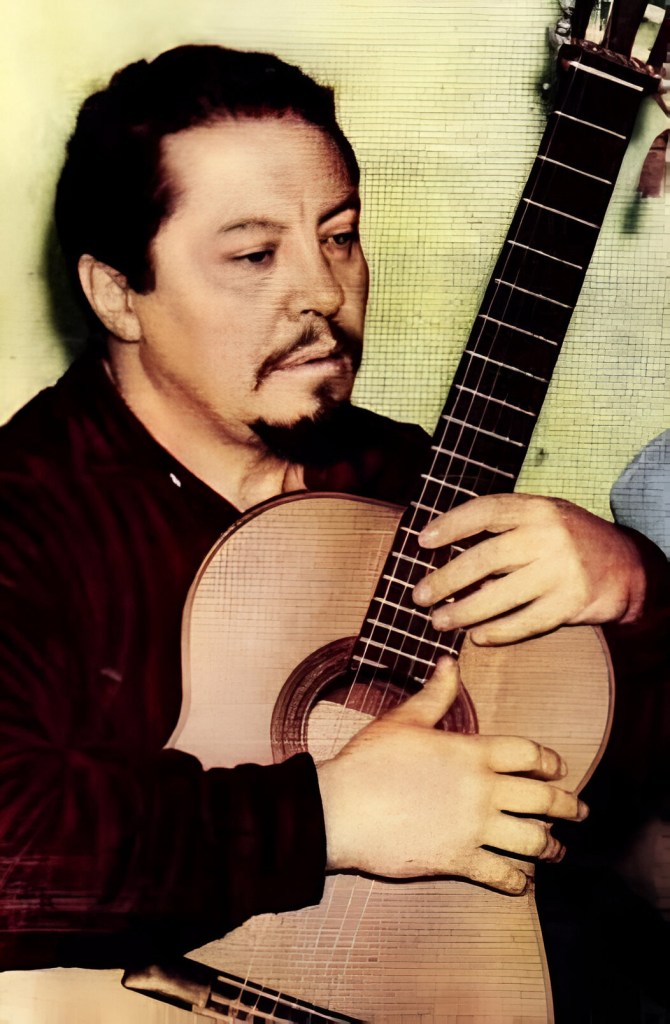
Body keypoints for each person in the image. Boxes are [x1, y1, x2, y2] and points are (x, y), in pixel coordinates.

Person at [0, 44, 668, 992]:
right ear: (117, 293)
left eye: (341, 236)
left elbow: (610, 782)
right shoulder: (25, 511)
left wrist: (636, 593)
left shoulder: (415, 480)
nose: (323, 291)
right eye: (254, 254)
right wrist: (329, 818)